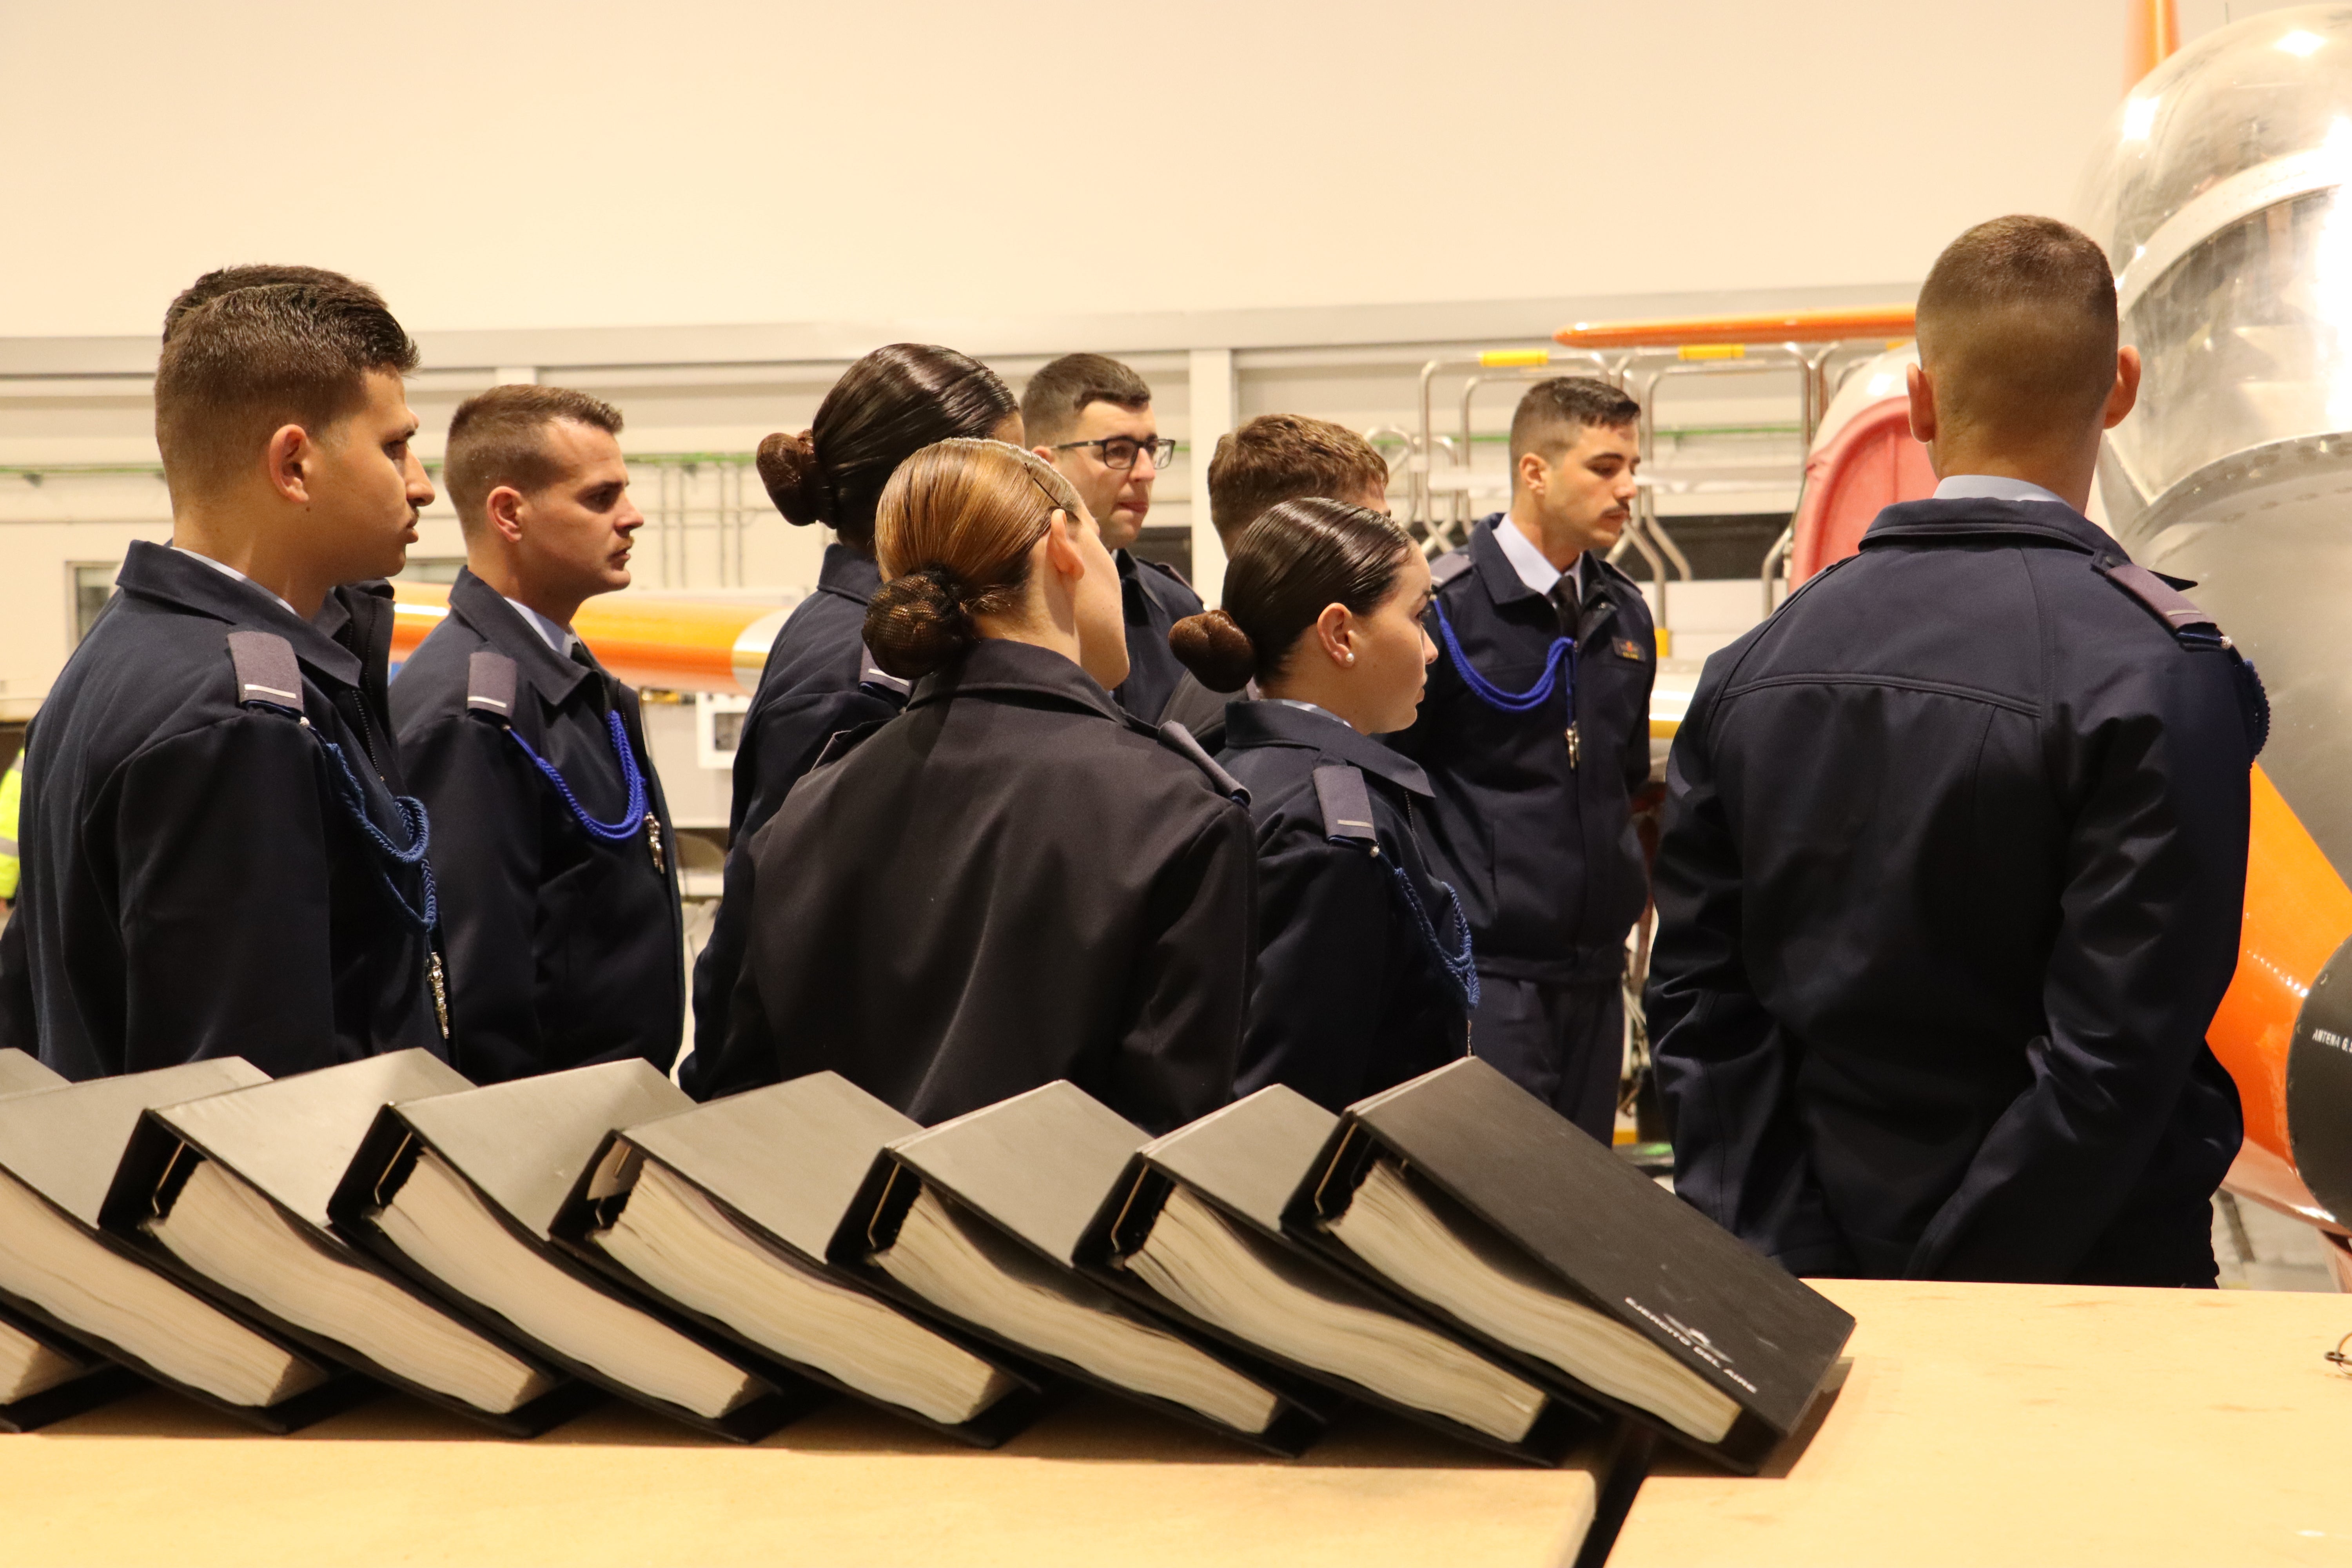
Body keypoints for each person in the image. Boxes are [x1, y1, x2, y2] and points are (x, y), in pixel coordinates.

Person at [1646, 215, 2265, 1287]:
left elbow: (1699, 1007)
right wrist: (1962, 1288)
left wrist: (1800, 1259)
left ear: (1921, 400)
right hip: (2082, 1288)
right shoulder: (2164, 676)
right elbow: (2115, 1054)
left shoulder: (1754, 668)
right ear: (2119, 388)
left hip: (1811, 1281)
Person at [695, 439, 1254, 1132]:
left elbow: (753, 1088)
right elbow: (1168, 1139)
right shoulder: (1175, 812)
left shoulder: (805, 812)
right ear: (1062, 545)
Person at [12, 275, 444, 1078]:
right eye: (394, 446)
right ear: (293, 464)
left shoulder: (122, 654)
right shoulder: (237, 719)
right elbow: (249, 1111)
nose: (420, 481)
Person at [682, 345, 1019, 1091]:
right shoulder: (856, 671)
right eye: (1009, 478)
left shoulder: (891, 638)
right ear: (931, 492)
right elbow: (773, 918)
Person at [1388, 378, 1656, 1142]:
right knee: (1495, 1205)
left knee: (1585, 1212)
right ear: (1535, 471)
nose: (1628, 487)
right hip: (1488, 979)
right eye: (1605, 467)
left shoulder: (1623, 610)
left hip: (1597, 981)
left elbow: (1625, 781)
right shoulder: (1444, 608)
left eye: (1632, 466)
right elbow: (1394, 783)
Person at [391, 386, 682, 1083]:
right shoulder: (471, 714)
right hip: (541, 1145)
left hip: (609, 1120)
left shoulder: (570, 681)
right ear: (510, 513)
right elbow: (474, 991)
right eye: (600, 497)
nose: (632, 517)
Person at [1171, 499, 1471, 1111]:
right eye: (1417, 618)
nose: (1432, 649)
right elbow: (1291, 1101)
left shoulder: (1233, 767)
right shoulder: (1332, 829)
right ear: (1340, 634)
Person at [1159, 414, 1393, 736]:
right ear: (1286, 538)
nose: (1395, 547)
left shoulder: (1299, 690)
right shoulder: (1241, 728)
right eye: (1368, 528)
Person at [1023, 353, 1201, 722]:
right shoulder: (994, 603)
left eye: (1151, 449)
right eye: (1117, 451)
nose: (1146, 472)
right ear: (1043, 466)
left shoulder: (1178, 611)